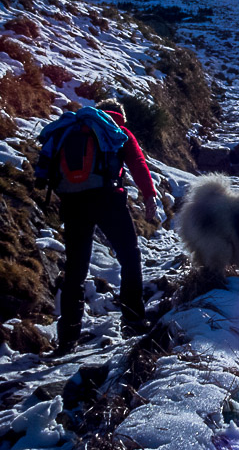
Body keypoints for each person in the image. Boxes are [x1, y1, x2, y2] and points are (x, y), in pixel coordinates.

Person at [50, 99, 158, 354]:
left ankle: (67, 336)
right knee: (130, 257)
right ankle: (133, 320)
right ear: (121, 115)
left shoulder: (74, 127)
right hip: (107, 199)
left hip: (72, 201)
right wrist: (149, 196)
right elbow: (138, 163)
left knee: (75, 268)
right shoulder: (117, 128)